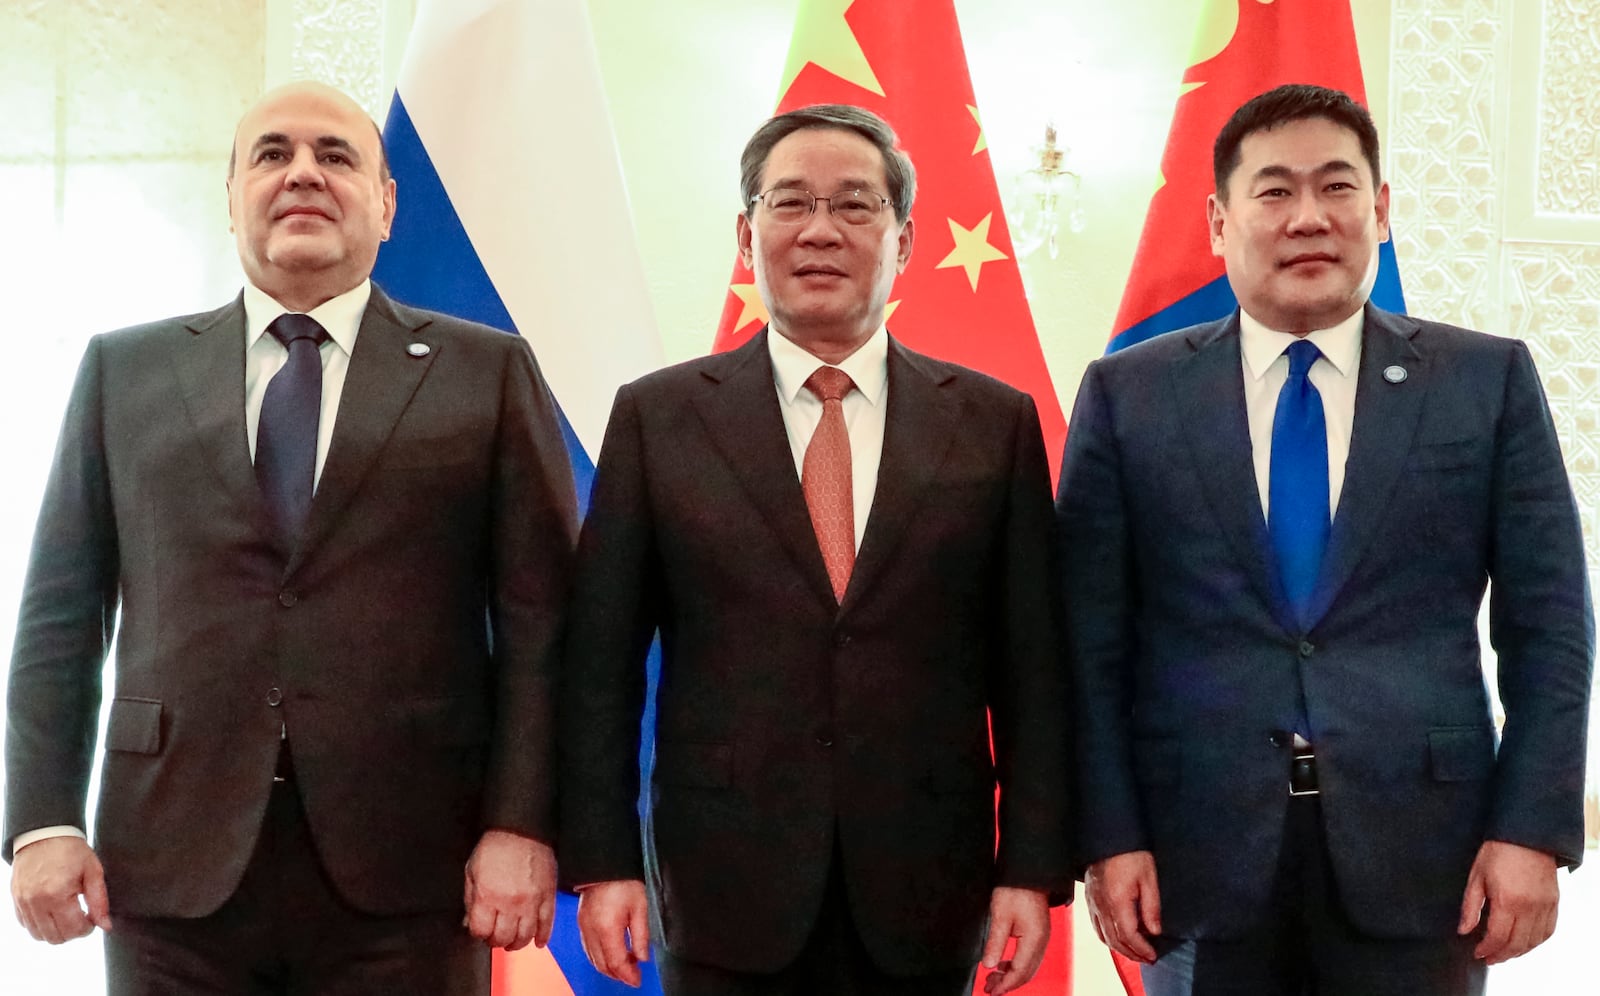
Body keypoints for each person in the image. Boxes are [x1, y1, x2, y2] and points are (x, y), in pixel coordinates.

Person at [3, 81, 578, 994]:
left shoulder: (487, 373)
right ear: (231, 196)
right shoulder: (125, 373)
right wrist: (42, 821)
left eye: (336, 155)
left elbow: (546, 630)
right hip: (168, 873)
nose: (302, 173)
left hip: (411, 872)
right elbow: (59, 619)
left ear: (387, 205)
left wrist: (522, 824)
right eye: (272, 154)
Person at [1056, 83, 1593, 996]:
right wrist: (1109, 835)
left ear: (1379, 212)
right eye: (1273, 192)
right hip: (1198, 859)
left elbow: (1550, 627)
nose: (1309, 216)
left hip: (1427, 859)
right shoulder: (1127, 396)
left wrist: (1532, 829)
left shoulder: (1484, 381)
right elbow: (1088, 643)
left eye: (1337, 187)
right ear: (1220, 222)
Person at [558, 103, 1071, 995]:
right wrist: (604, 862)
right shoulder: (660, 418)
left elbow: (1032, 672)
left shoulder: (994, 423)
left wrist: (1029, 869)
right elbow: (599, 664)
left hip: (927, 886)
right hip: (723, 885)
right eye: (789, 203)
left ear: (904, 240)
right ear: (746, 233)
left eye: (855, 206)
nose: (820, 231)